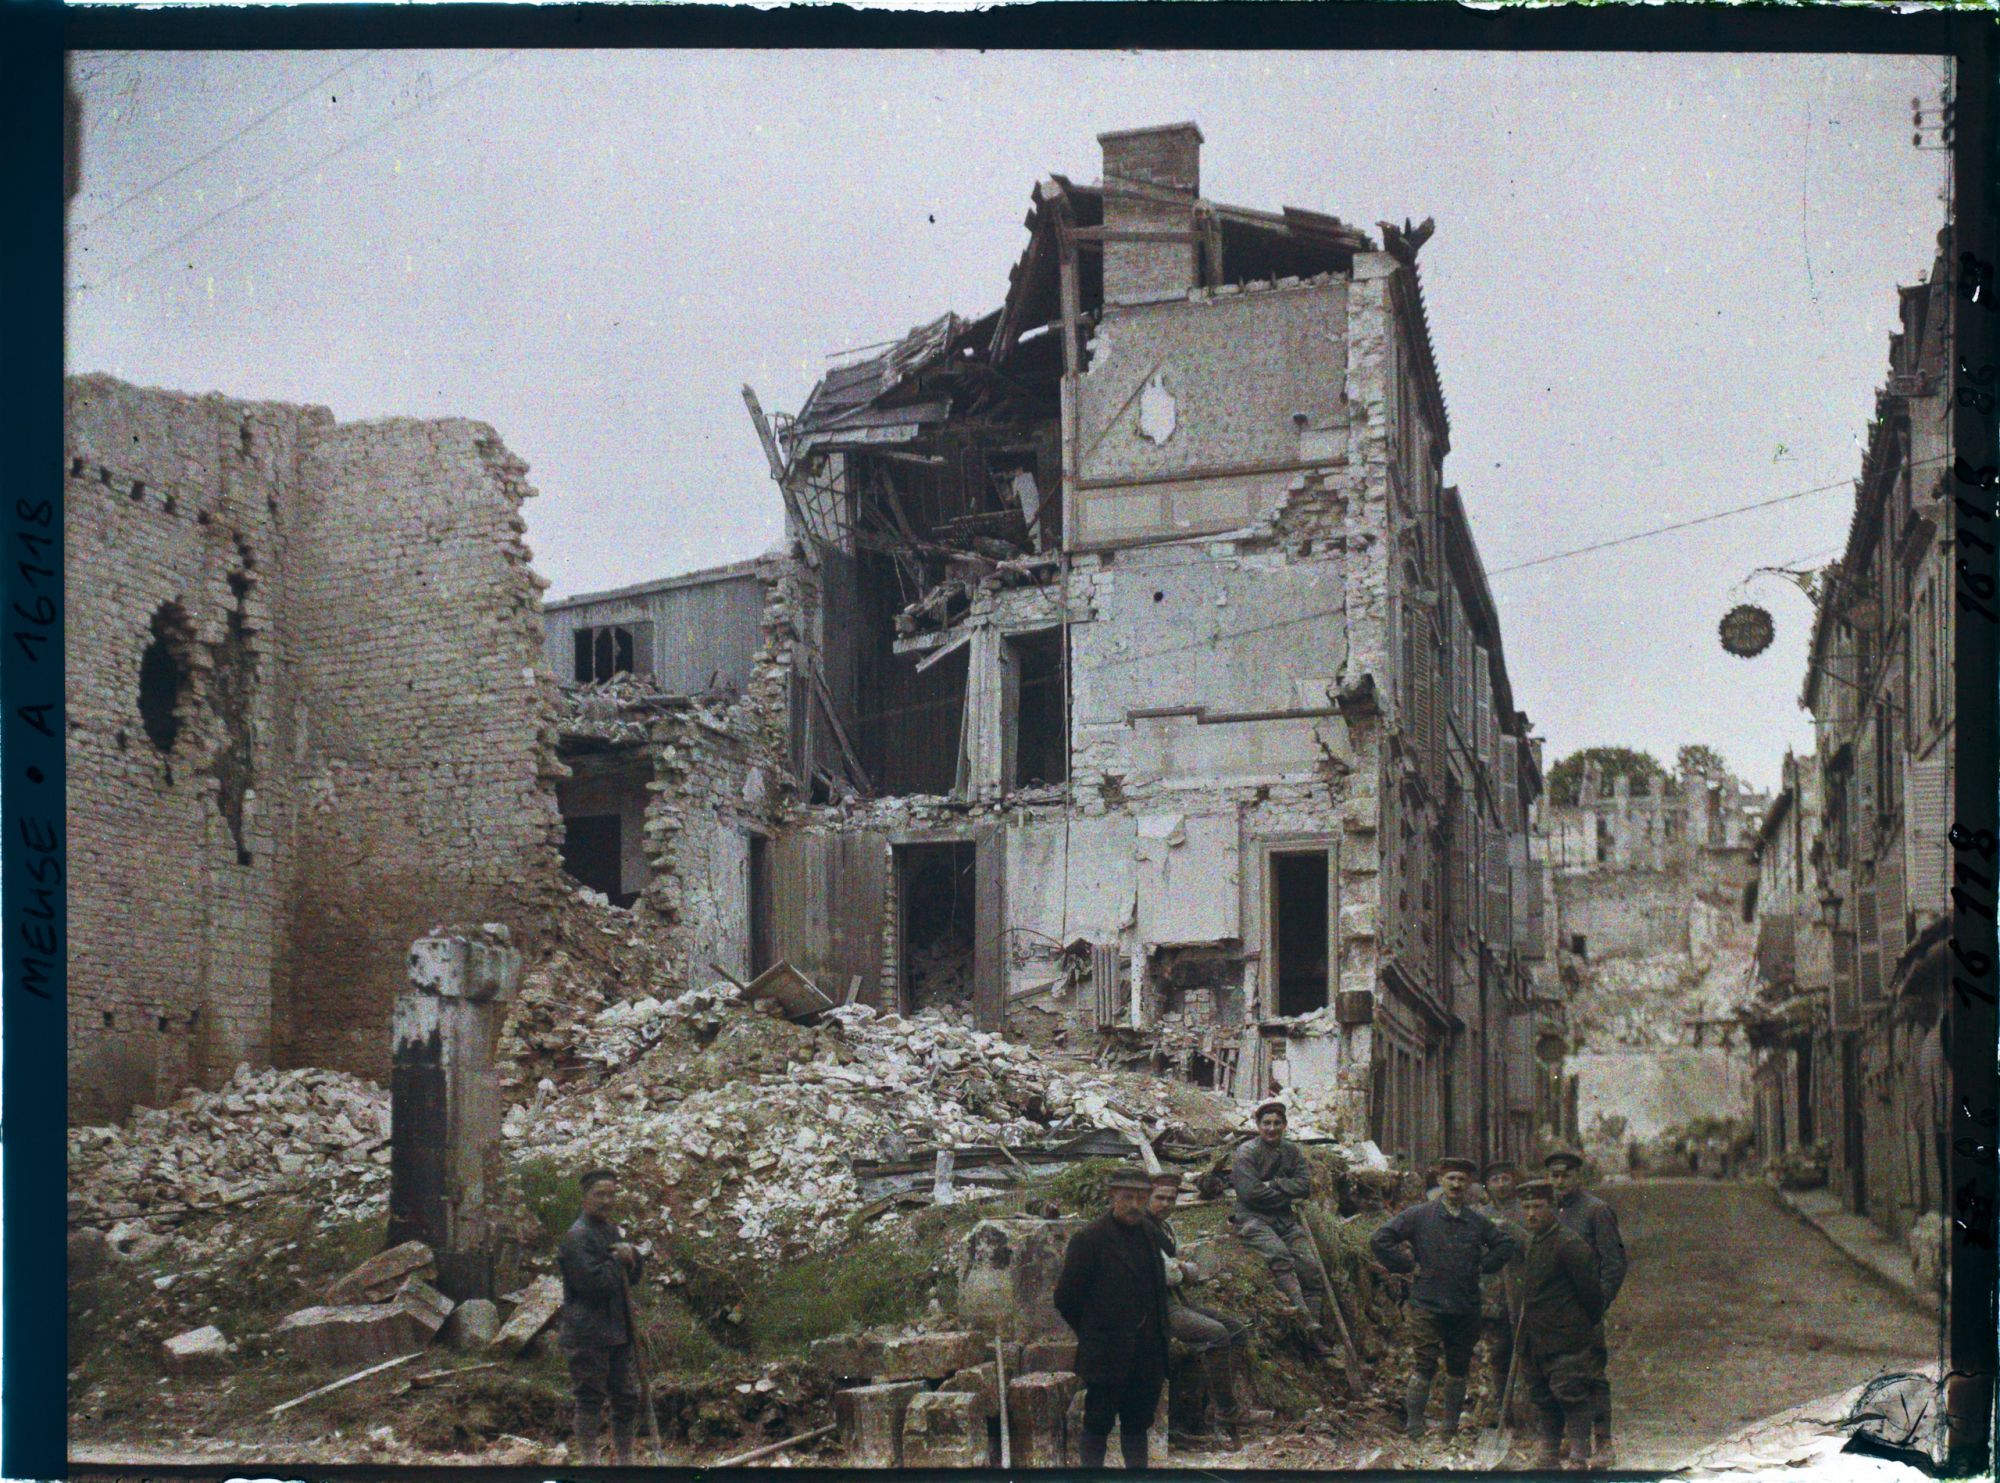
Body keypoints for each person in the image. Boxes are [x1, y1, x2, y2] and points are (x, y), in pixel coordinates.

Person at [1369, 1156, 1520, 1440]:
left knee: (1458, 1368)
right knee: (1425, 1365)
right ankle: (1415, 1428)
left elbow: (1505, 1244)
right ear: (1440, 1181)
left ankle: (1449, 1430)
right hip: (1427, 1303)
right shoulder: (1419, 1215)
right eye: (1451, 1178)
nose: (1456, 1184)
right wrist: (1407, 1264)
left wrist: (1483, 1266)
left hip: (1464, 1306)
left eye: (1462, 1179)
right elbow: (1380, 1239)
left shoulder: (1476, 1221)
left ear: (1469, 1184)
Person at [1055, 1166, 1174, 1469]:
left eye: (1141, 1198)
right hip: (1106, 1352)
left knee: (1137, 1424)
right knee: (1098, 1423)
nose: (1135, 1205)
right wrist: (1096, 1332)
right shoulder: (1090, 1238)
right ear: (1111, 1196)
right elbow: (1066, 1298)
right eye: (1127, 1197)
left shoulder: (1150, 1233)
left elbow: (1158, 1291)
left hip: (1146, 1352)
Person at [1145, 1173, 1270, 1442]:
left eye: (1171, 1199)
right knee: (1215, 1333)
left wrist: (1182, 1268)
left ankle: (1219, 1404)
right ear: (1147, 1198)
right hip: (1153, 1305)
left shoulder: (1166, 1228)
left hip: (1175, 1298)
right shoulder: (1143, 1229)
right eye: (1160, 1198)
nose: (1165, 1204)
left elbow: (1181, 1263)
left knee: (1236, 1330)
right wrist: (1183, 1269)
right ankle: (1228, 1409)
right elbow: (1172, 1274)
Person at [1511, 1178, 1606, 1469]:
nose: (1531, 1214)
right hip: (1535, 1338)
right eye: (1526, 1207)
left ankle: (1579, 1455)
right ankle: (1549, 1455)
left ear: (1553, 1207)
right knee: (1543, 1397)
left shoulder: (1570, 1244)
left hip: (1565, 1338)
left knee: (1571, 1394)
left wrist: (1579, 1330)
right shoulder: (1533, 1241)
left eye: (1538, 1207)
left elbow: (1592, 1295)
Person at [1228, 1099, 1336, 1356]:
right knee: (1279, 1256)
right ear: (1258, 1126)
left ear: (1285, 1125)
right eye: (1266, 1123)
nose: (1272, 1128)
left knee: (1311, 1266)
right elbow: (1250, 1193)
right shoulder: (1246, 1152)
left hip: (1285, 1220)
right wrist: (1287, 1194)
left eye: (1277, 1123)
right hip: (1252, 1218)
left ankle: (1315, 1336)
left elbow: (1305, 1186)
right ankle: (1306, 1322)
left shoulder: (1292, 1151)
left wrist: (1274, 1184)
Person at [557, 1168, 645, 1465]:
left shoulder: (610, 1231)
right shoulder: (576, 1237)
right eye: (600, 1195)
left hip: (616, 1331)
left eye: (611, 1195)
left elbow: (630, 1278)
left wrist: (632, 1258)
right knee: (590, 1397)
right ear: (585, 1198)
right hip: (587, 1333)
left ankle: (625, 1461)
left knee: (626, 1397)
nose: (606, 1201)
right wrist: (618, 1260)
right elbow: (594, 1286)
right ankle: (590, 1462)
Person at [1545, 1148, 1627, 1466]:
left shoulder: (1596, 1211)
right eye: (1554, 1176)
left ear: (1578, 1176)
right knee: (1561, 1371)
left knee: (1592, 1373)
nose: (1559, 1181)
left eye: (1565, 1175)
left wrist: (1598, 1302)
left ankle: (1604, 1442)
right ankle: (1573, 1436)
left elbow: (1614, 1262)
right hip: (1555, 1311)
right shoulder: (1548, 1211)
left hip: (1585, 1308)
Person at [1476, 1160, 1527, 1427]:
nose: (1501, 1185)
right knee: (1498, 1353)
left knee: (1528, 1352)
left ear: (1514, 1181)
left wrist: (1512, 1231)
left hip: (1522, 1293)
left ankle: (1530, 1409)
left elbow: (1536, 1246)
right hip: (1493, 1296)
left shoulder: (1526, 1210)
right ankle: (1502, 1409)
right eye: (1495, 1180)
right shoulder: (1480, 1215)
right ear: (1487, 1185)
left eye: (1506, 1179)